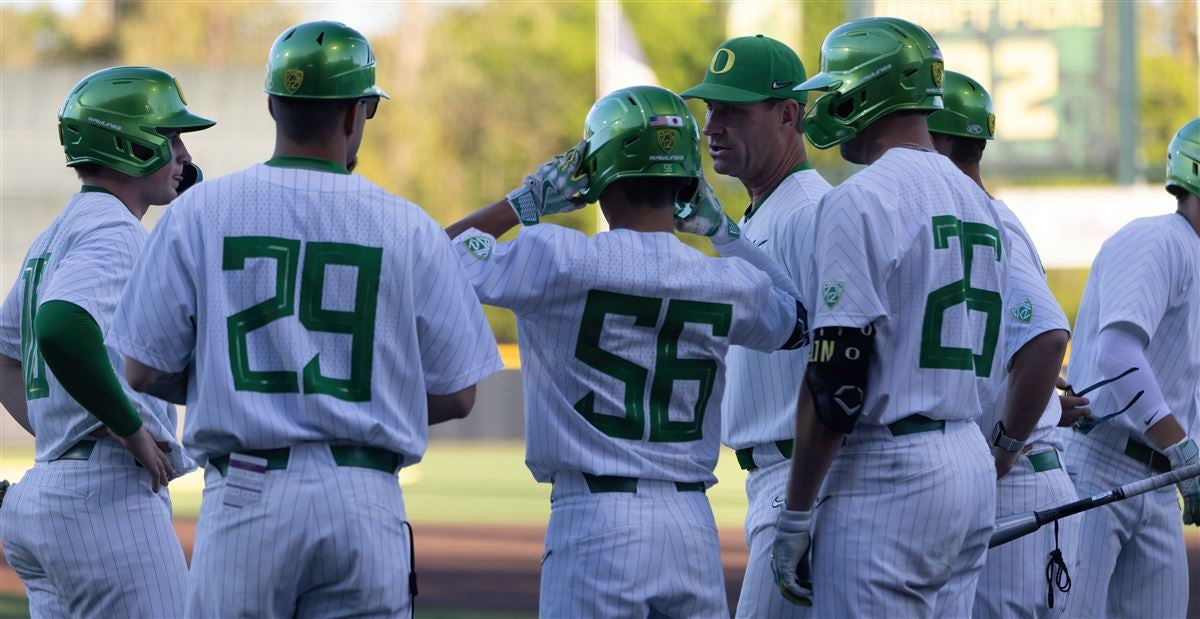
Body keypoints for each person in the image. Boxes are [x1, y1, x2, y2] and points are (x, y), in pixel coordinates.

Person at [106, 21, 503, 617]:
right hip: (364, 496)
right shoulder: (408, 226)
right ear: (355, 113)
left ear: (272, 104)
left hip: (246, 491)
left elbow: (139, 369)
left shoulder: (200, 212)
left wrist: (230, 381)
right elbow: (460, 394)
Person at [446, 84, 810, 619]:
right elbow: (800, 317)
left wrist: (522, 203)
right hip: (691, 525)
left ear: (594, 176)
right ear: (687, 181)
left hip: (595, 521)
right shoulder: (725, 280)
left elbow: (428, 260)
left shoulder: (556, 258)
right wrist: (725, 232)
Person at [771, 17, 1008, 617]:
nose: (828, 104)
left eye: (836, 89)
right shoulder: (981, 201)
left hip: (891, 471)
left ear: (867, 91)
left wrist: (795, 514)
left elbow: (836, 379)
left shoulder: (862, 196)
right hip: (969, 461)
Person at [0, 66, 212, 618]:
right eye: (171, 138)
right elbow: (60, 323)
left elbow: (4, 355)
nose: (184, 153)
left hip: (48, 493)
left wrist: (65, 430)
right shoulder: (116, 231)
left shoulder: (56, 233)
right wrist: (128, 426)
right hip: (107, 499)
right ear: (129, 143)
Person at [679, 34, 831, 619]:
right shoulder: (763, 213)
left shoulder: (811, 211)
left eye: (734, 111)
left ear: (789, 114)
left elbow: (847, 358)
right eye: (711, 109)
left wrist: (803, 504)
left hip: (804, 478)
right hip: (778, 477)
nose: (713, 126)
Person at [929, 70, 1079, 618]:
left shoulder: (986, 221)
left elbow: (1046, 336)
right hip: (1021, 484)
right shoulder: (978, 215)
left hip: (1016, 489)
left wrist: (1004, 450)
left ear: (940, 142)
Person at [1057, 117, 1200, 619]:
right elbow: (1118, 353)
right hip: (1098, 460)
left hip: (1160, 484)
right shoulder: (1158, 239)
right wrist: (1182, 448)